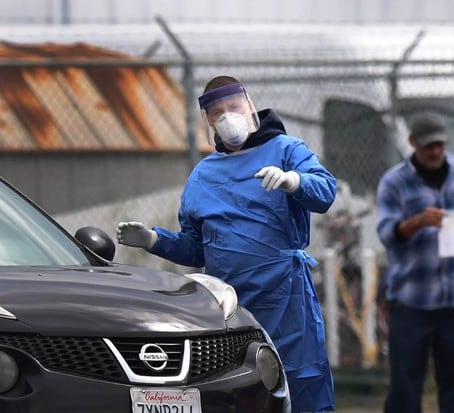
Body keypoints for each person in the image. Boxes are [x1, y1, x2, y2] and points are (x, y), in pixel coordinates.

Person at [116, 75, 337, 413]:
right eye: (216, 112)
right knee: (239, 388)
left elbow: (325, 192)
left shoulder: (286, 150)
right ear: (208, 121)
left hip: (286, 298)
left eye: (233, 107)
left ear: (249, 106)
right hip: (231, 305)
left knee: (301, 382)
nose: (226, 117)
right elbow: (196, 249)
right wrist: (154, 240)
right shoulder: (204, 176)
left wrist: (295, 181)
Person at [376, 111, 454, 413]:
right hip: (411, 303)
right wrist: (417, 222)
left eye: (440, 145)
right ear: (413, 142)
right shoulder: (394, 182)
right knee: (405, 385)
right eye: (428, 145)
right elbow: (386, 233)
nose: (435, 151)